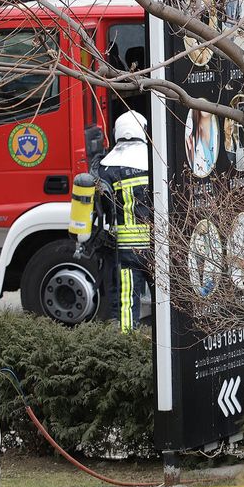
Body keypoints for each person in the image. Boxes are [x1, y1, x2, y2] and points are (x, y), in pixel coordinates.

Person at [99, 110, 151, 332]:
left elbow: (102, 208)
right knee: (166, 300)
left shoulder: (107, 167)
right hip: (158, 246)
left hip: (126, 250)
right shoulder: (155, 161)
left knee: (127, 301)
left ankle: (129, 342)